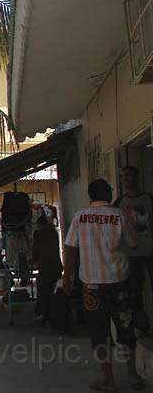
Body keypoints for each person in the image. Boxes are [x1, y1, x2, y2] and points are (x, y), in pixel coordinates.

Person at [63, 179, 144, 392]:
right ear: (108, 194)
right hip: (119, 283)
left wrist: (66, 277)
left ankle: (108, 379)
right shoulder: (119, 215)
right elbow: (134, 243)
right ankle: (133, 374)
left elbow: (70, 248)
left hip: (91, 286)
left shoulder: (80, 217)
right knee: (126, 328)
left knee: (99, 333)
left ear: (91, 196)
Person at [114, 165, 153, 335]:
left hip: (150, 251)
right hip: (130, 255)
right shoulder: (119, 203)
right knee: (135, 292)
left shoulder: (149, 199)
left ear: (137, 177)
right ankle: (142, 326)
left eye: (129, 176)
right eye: (123, 176)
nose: (125, 179)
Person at [31, 214, 62, 324]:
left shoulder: (38, 233)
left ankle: (41, 315)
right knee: (51, 291)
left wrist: (32, 261)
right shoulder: (54, 232)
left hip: (45, 267)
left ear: (39, 224)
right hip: (56, 266)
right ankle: (51, 314)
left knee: (42, 292)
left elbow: (35, 249)